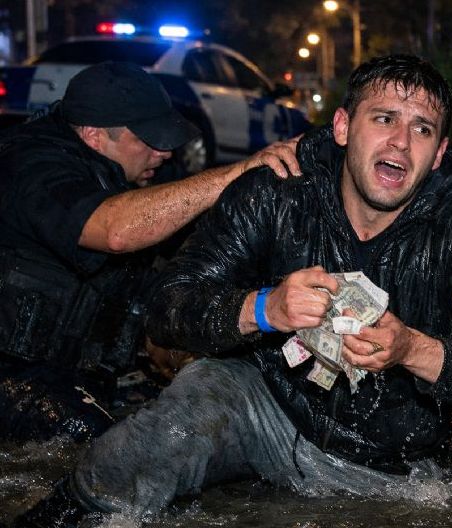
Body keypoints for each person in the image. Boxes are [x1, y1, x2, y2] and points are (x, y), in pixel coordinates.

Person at [0, 54, 452, 528]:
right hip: (266, 407)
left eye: (422, 129)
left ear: (439, 154)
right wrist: (263, 308)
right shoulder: (275, 193)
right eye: (384, 119)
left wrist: (414, 350)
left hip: (392, 465)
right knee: (190, 402)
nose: (400, 143)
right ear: (343, 127)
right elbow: (168, 306)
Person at [0, 61, 303, 443]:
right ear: (94, 134)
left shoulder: (139, 170)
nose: (164, 152)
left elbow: (198, 254)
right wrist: (236, 173)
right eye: (150, 139)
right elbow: (115, 231)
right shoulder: (29, 164)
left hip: (91, 372)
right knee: (108, 451)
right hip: (13, 371)